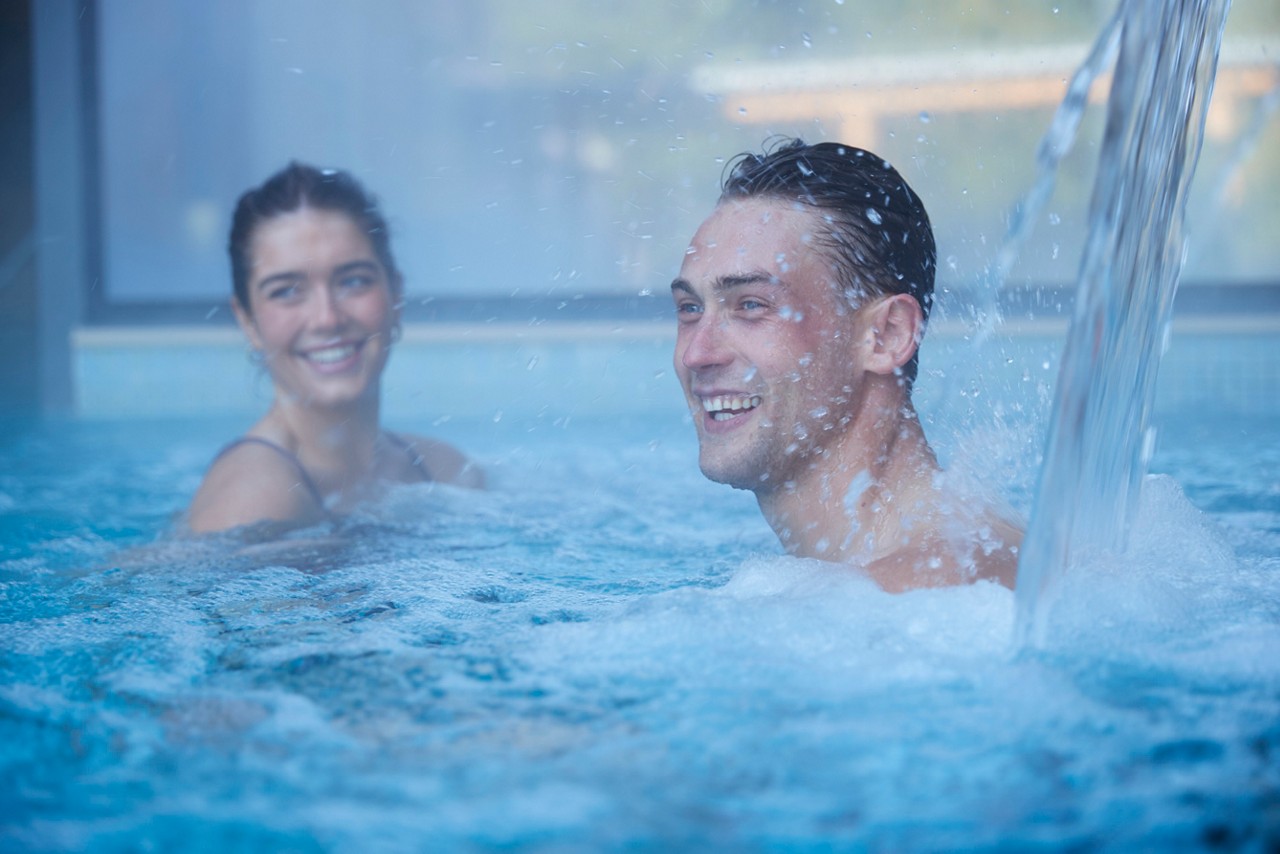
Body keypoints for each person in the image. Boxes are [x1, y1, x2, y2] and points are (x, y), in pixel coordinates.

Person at [670, 138, 1021, 591]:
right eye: (690, 308)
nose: (697, 354)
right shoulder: (892, 581)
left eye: (751, 305)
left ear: (887, 335)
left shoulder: (936, 592)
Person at [188, 162, 482, 534]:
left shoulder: (444, 471)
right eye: (286, 291)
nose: (327, 318)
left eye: (353, 281)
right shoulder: (255, 503)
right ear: (248, 321)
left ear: (396, 295)